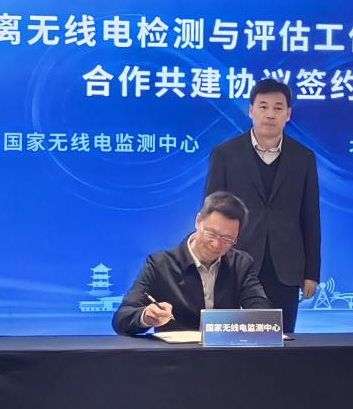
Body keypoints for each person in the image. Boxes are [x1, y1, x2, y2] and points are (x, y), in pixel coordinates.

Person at [204, 78, 320, 333]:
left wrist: (311, 272)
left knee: (281, 341)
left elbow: (310, 218)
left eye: (278, 108)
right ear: (251, 110)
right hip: (233, 265)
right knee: (232, 342)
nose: (270, 114)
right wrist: (208, 262)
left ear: (288, 114)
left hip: (286, 269)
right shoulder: (225, 154)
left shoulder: (303, 157)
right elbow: (211, 215)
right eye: (263, 106)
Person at [112, 191, 271, 335]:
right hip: (177, 355)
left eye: (227, 239)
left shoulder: (241, 264)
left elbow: (261, 309)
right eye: (211, 234)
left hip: (225, 352)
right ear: (198, 221)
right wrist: (146, 316)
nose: (216, 244)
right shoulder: (160, 265)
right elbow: (122, 318)